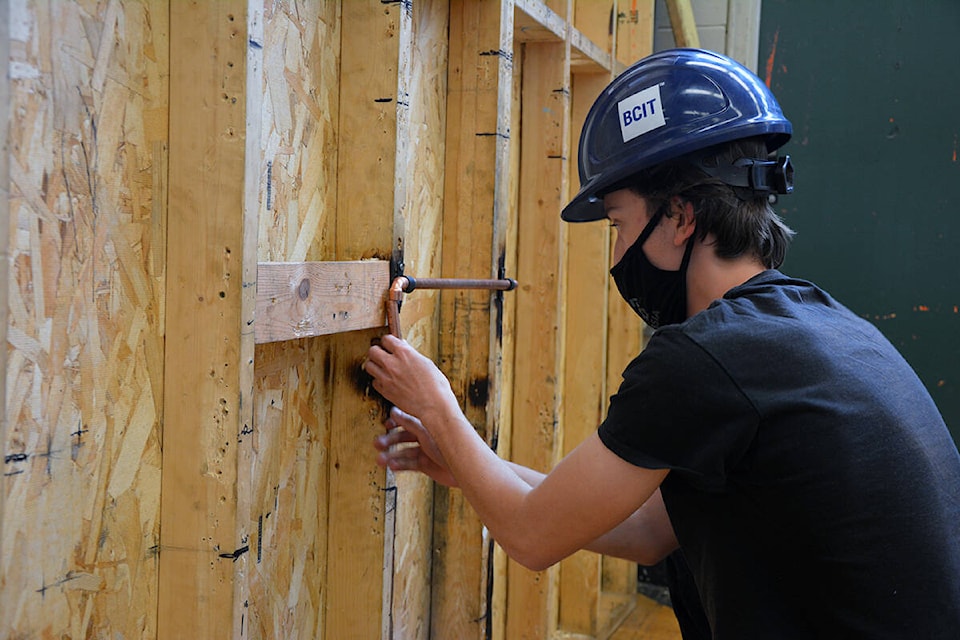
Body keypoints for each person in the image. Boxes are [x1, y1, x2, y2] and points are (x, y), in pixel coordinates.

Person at [363, 48, 960, 638]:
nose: (619, 254)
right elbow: (651, 530)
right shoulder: (818, 323)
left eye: (619, 224)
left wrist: (436, 403)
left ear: (679, 217)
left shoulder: (707, 358)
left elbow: (532, 536)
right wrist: (472, 469)